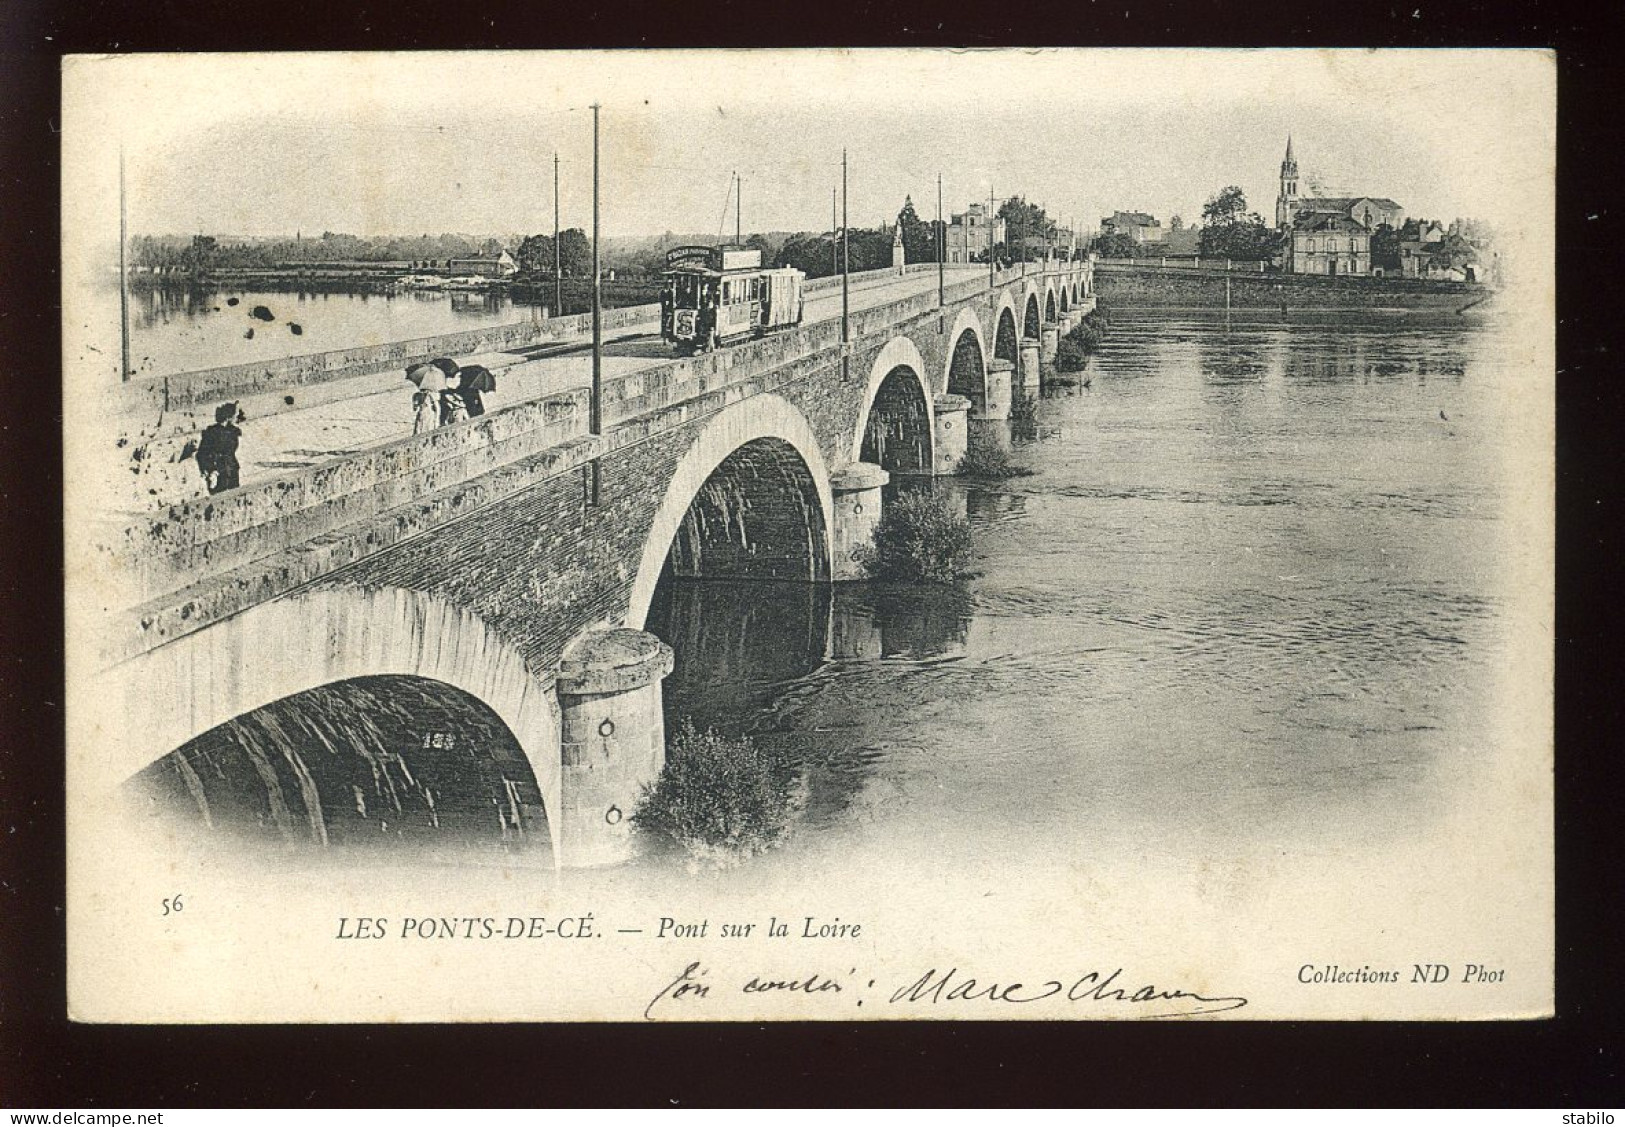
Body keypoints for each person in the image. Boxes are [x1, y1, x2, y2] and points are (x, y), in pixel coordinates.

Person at [196, 403, 242, 494]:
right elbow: (201, 454)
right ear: (228, 417)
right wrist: (210, 470)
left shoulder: (232, 431)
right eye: (234, 416)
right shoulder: (211, 433)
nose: (236, 418)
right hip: (217, 470)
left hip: (231, 469)